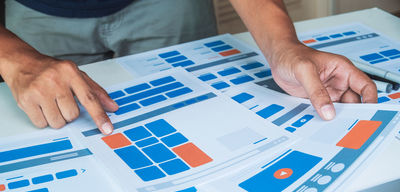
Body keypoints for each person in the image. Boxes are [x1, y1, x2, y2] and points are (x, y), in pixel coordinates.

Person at [0, 0, 377, 135]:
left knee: (198, 117)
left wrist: (283, 47)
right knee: (55, 120)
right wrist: (15, 59)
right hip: (36, 13)